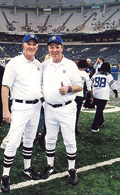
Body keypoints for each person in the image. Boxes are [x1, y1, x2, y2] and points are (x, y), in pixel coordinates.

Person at [0, 34, 42, 193]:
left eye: (34, 44)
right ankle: (5, 176)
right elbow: (5, 87)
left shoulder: (39, 64)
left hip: (36, 106)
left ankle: (27, 168)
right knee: (13, 141)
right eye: (28, 44)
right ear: (23, 45)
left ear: (37, 47)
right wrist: (5, 109)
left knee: (30, 139)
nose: (31, 46)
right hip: (20, 107)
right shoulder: (14, 63)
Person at [40, 36, 82, 185]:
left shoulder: (70, 65)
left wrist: (69, 88)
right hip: (49, 108)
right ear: (48, 49)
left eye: (57, 47)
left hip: (66, 108)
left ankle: (72, 169)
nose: (54, 50)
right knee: (49, 139)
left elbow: (79, 86)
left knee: (69, 139)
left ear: (62, 48)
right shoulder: (44, 65)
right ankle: (50, 166)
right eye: (51, 47)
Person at [90, 62, 118, 132]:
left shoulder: (96, 74)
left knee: (99, 109)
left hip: (95, 94)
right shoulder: (108, 75)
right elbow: (113, 86)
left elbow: (90, 83)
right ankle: (94, 127)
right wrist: (116, 93)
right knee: (99, 110)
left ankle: (101, 122)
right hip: (103, 95)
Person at [74, 59, 92, 135]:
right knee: (76, 113)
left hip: (71, 94)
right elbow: (89, 87)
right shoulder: (85, 74)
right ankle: (74, 129)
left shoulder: (73, 72)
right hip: (79, 95)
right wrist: (91, 96)